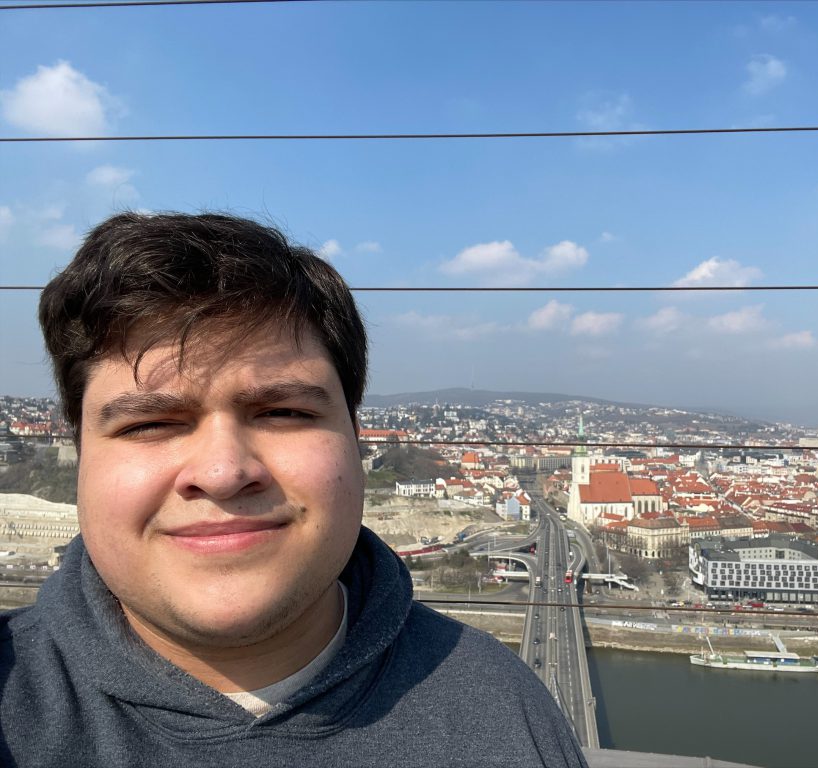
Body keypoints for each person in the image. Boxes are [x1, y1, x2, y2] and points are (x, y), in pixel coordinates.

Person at [0, 212, 587, 767]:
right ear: (80, 459)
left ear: (357, 444)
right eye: (149, 423)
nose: (224, 472)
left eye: (281, 412)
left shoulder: (505, 710)